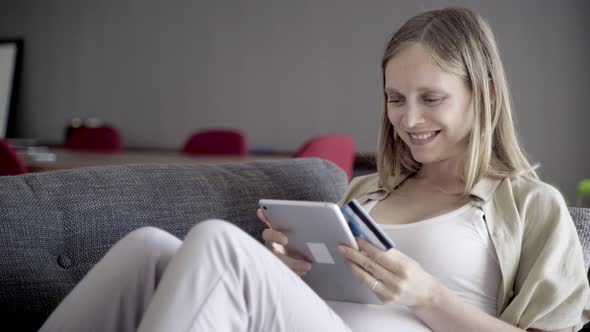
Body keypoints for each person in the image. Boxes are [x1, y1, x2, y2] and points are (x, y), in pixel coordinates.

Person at [40, 7, 590, 332]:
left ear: (483, 94)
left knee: (216, 242)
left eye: (431, 97)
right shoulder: (366, 192)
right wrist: (287, 267)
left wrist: (428, 296)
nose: (409, 118)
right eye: (396, 98)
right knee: (148, 247)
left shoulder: (528, 203)